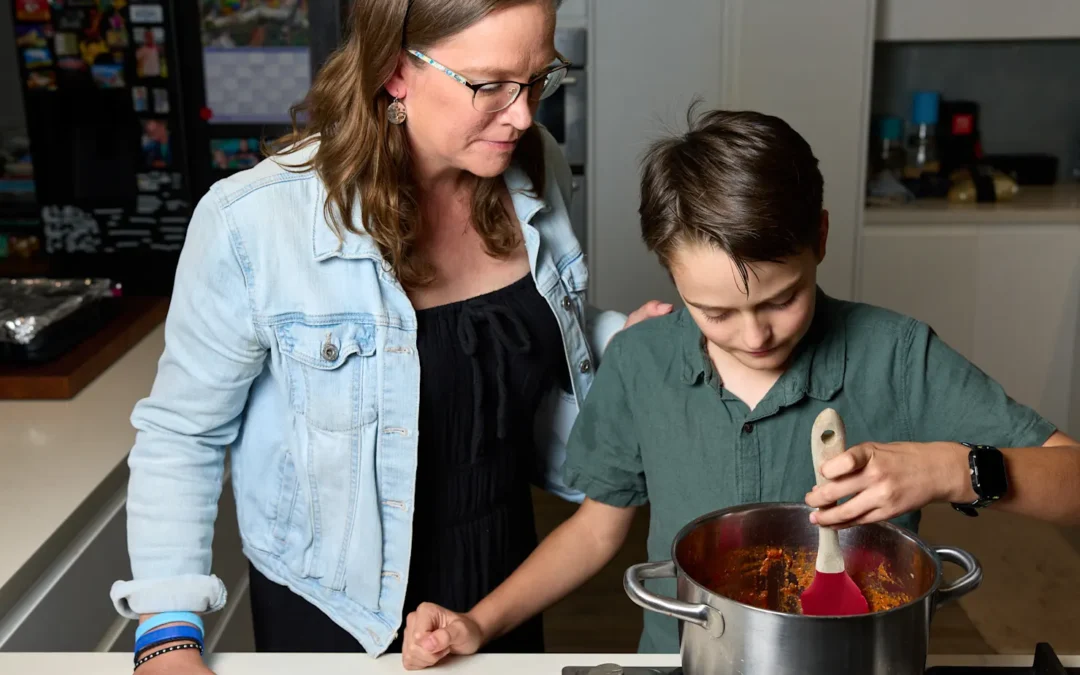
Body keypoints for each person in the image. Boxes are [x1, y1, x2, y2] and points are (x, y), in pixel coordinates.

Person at [400, 106, 1080, 668]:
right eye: (717, 312)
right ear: (668, 270)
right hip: (688, 658)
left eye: (783, 298)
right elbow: (592, 532)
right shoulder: (641, 363)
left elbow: (1072, 479)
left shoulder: (896, 356)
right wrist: (479, 622)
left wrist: (951, 468)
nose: (755, 337)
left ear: (819, 236)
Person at [108, 0, 670, 671]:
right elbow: (182, 433)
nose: (523, 115)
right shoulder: (252, 223)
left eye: (540, 80)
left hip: (503, 580)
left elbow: (522, 333)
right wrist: (168, 635)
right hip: (334, 608)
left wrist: (620, 338)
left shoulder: (535, 166)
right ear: (396, 71)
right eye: (489, 85)